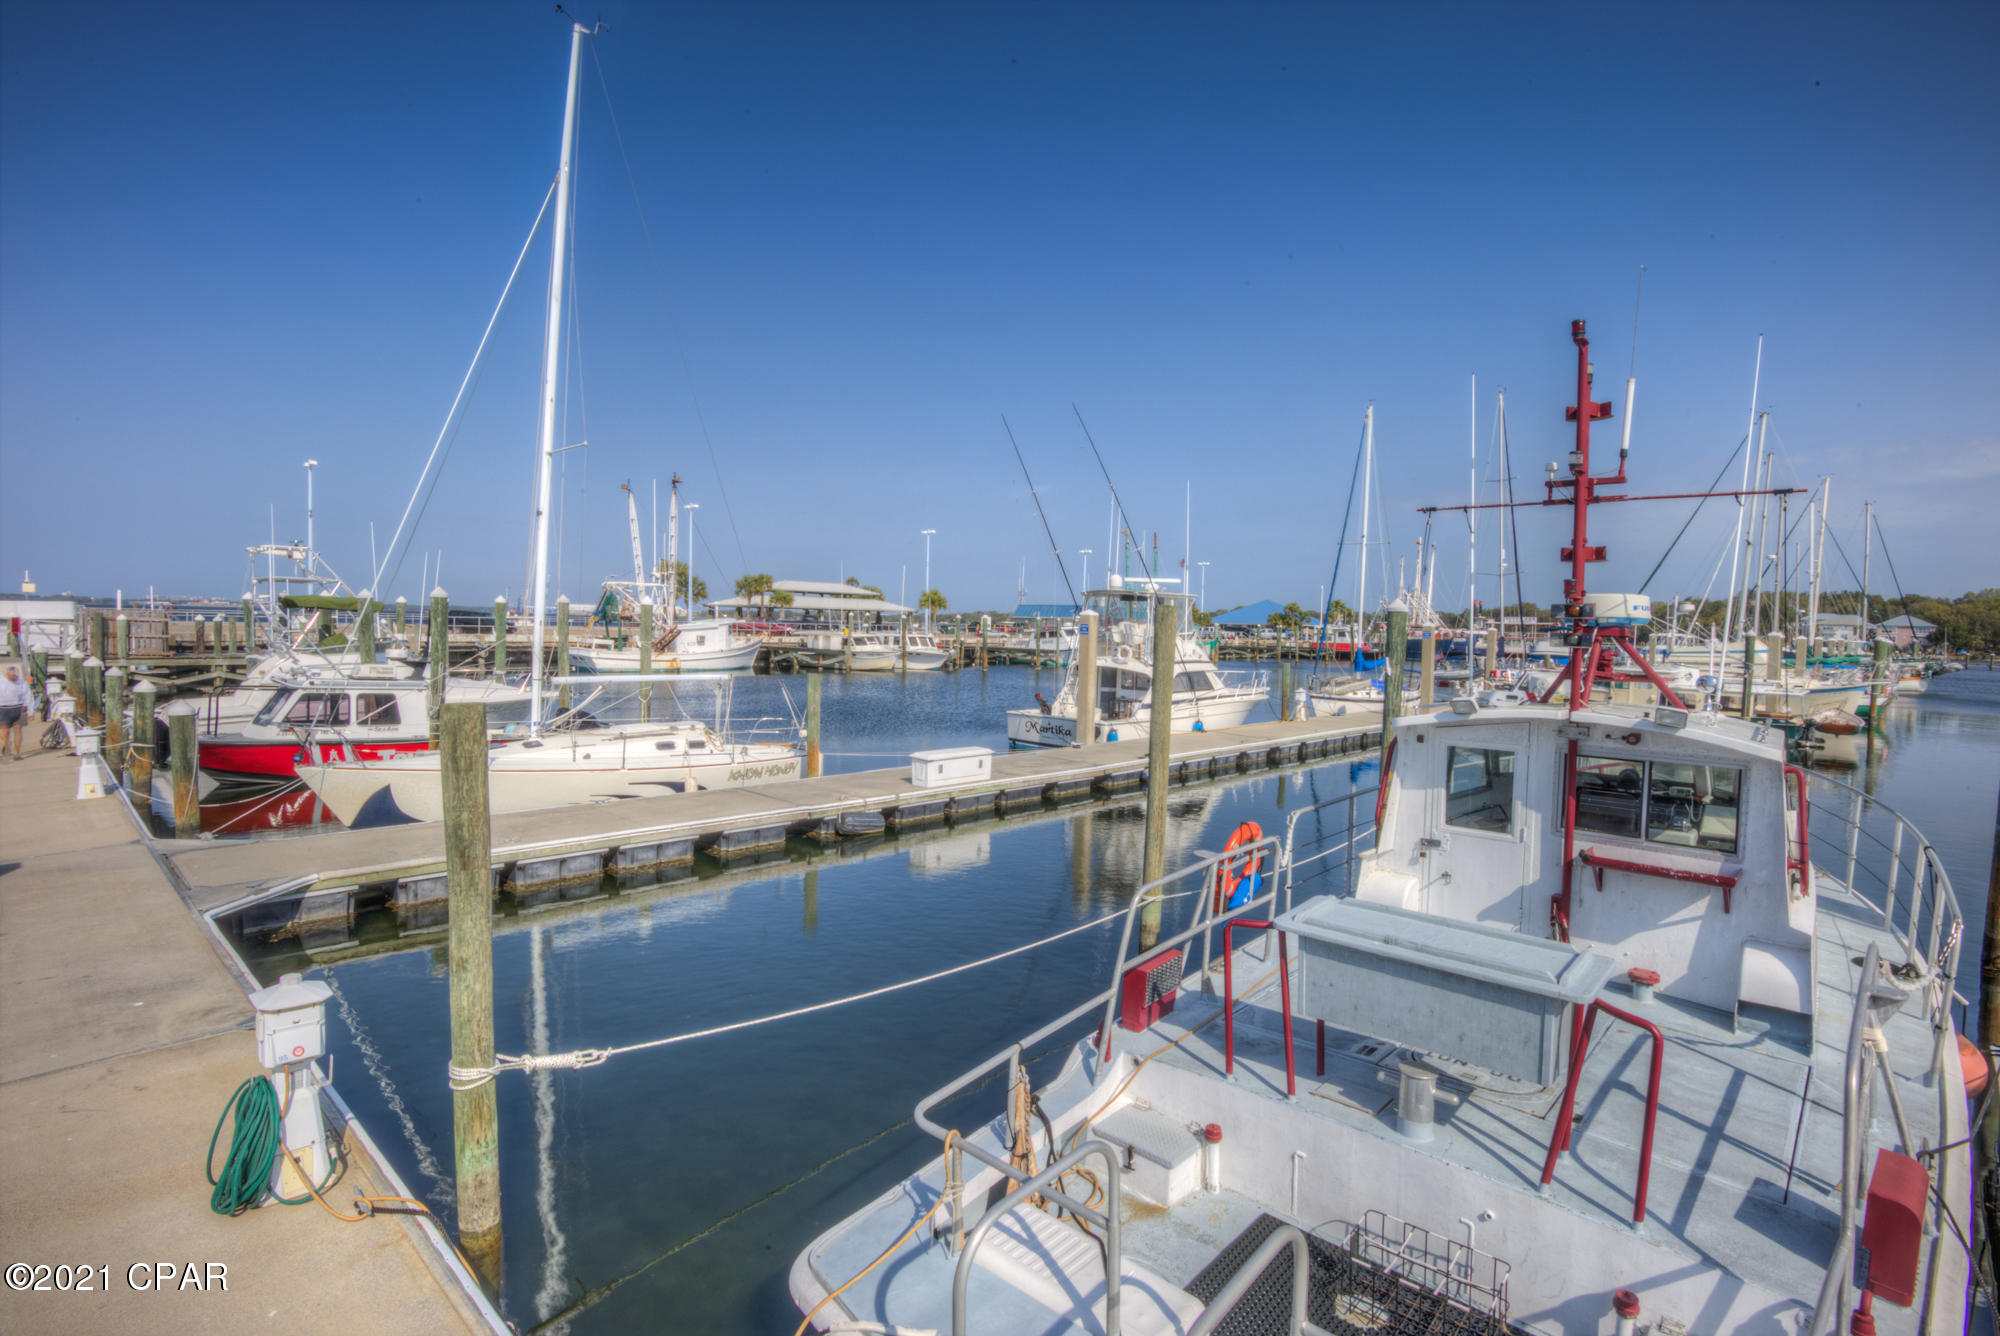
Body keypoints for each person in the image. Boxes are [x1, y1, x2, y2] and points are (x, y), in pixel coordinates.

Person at [0, 664, 29, 761]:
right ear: (7, 674)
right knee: (5, 731)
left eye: (14, 675)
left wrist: (27, 706)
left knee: (18, 730)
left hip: (18, 707)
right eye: (11, 676)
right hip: (4, 708)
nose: (13, 677)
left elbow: (27, 694)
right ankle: (6, 747)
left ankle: (17, 752)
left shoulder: (21, 681)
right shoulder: (1, 681)